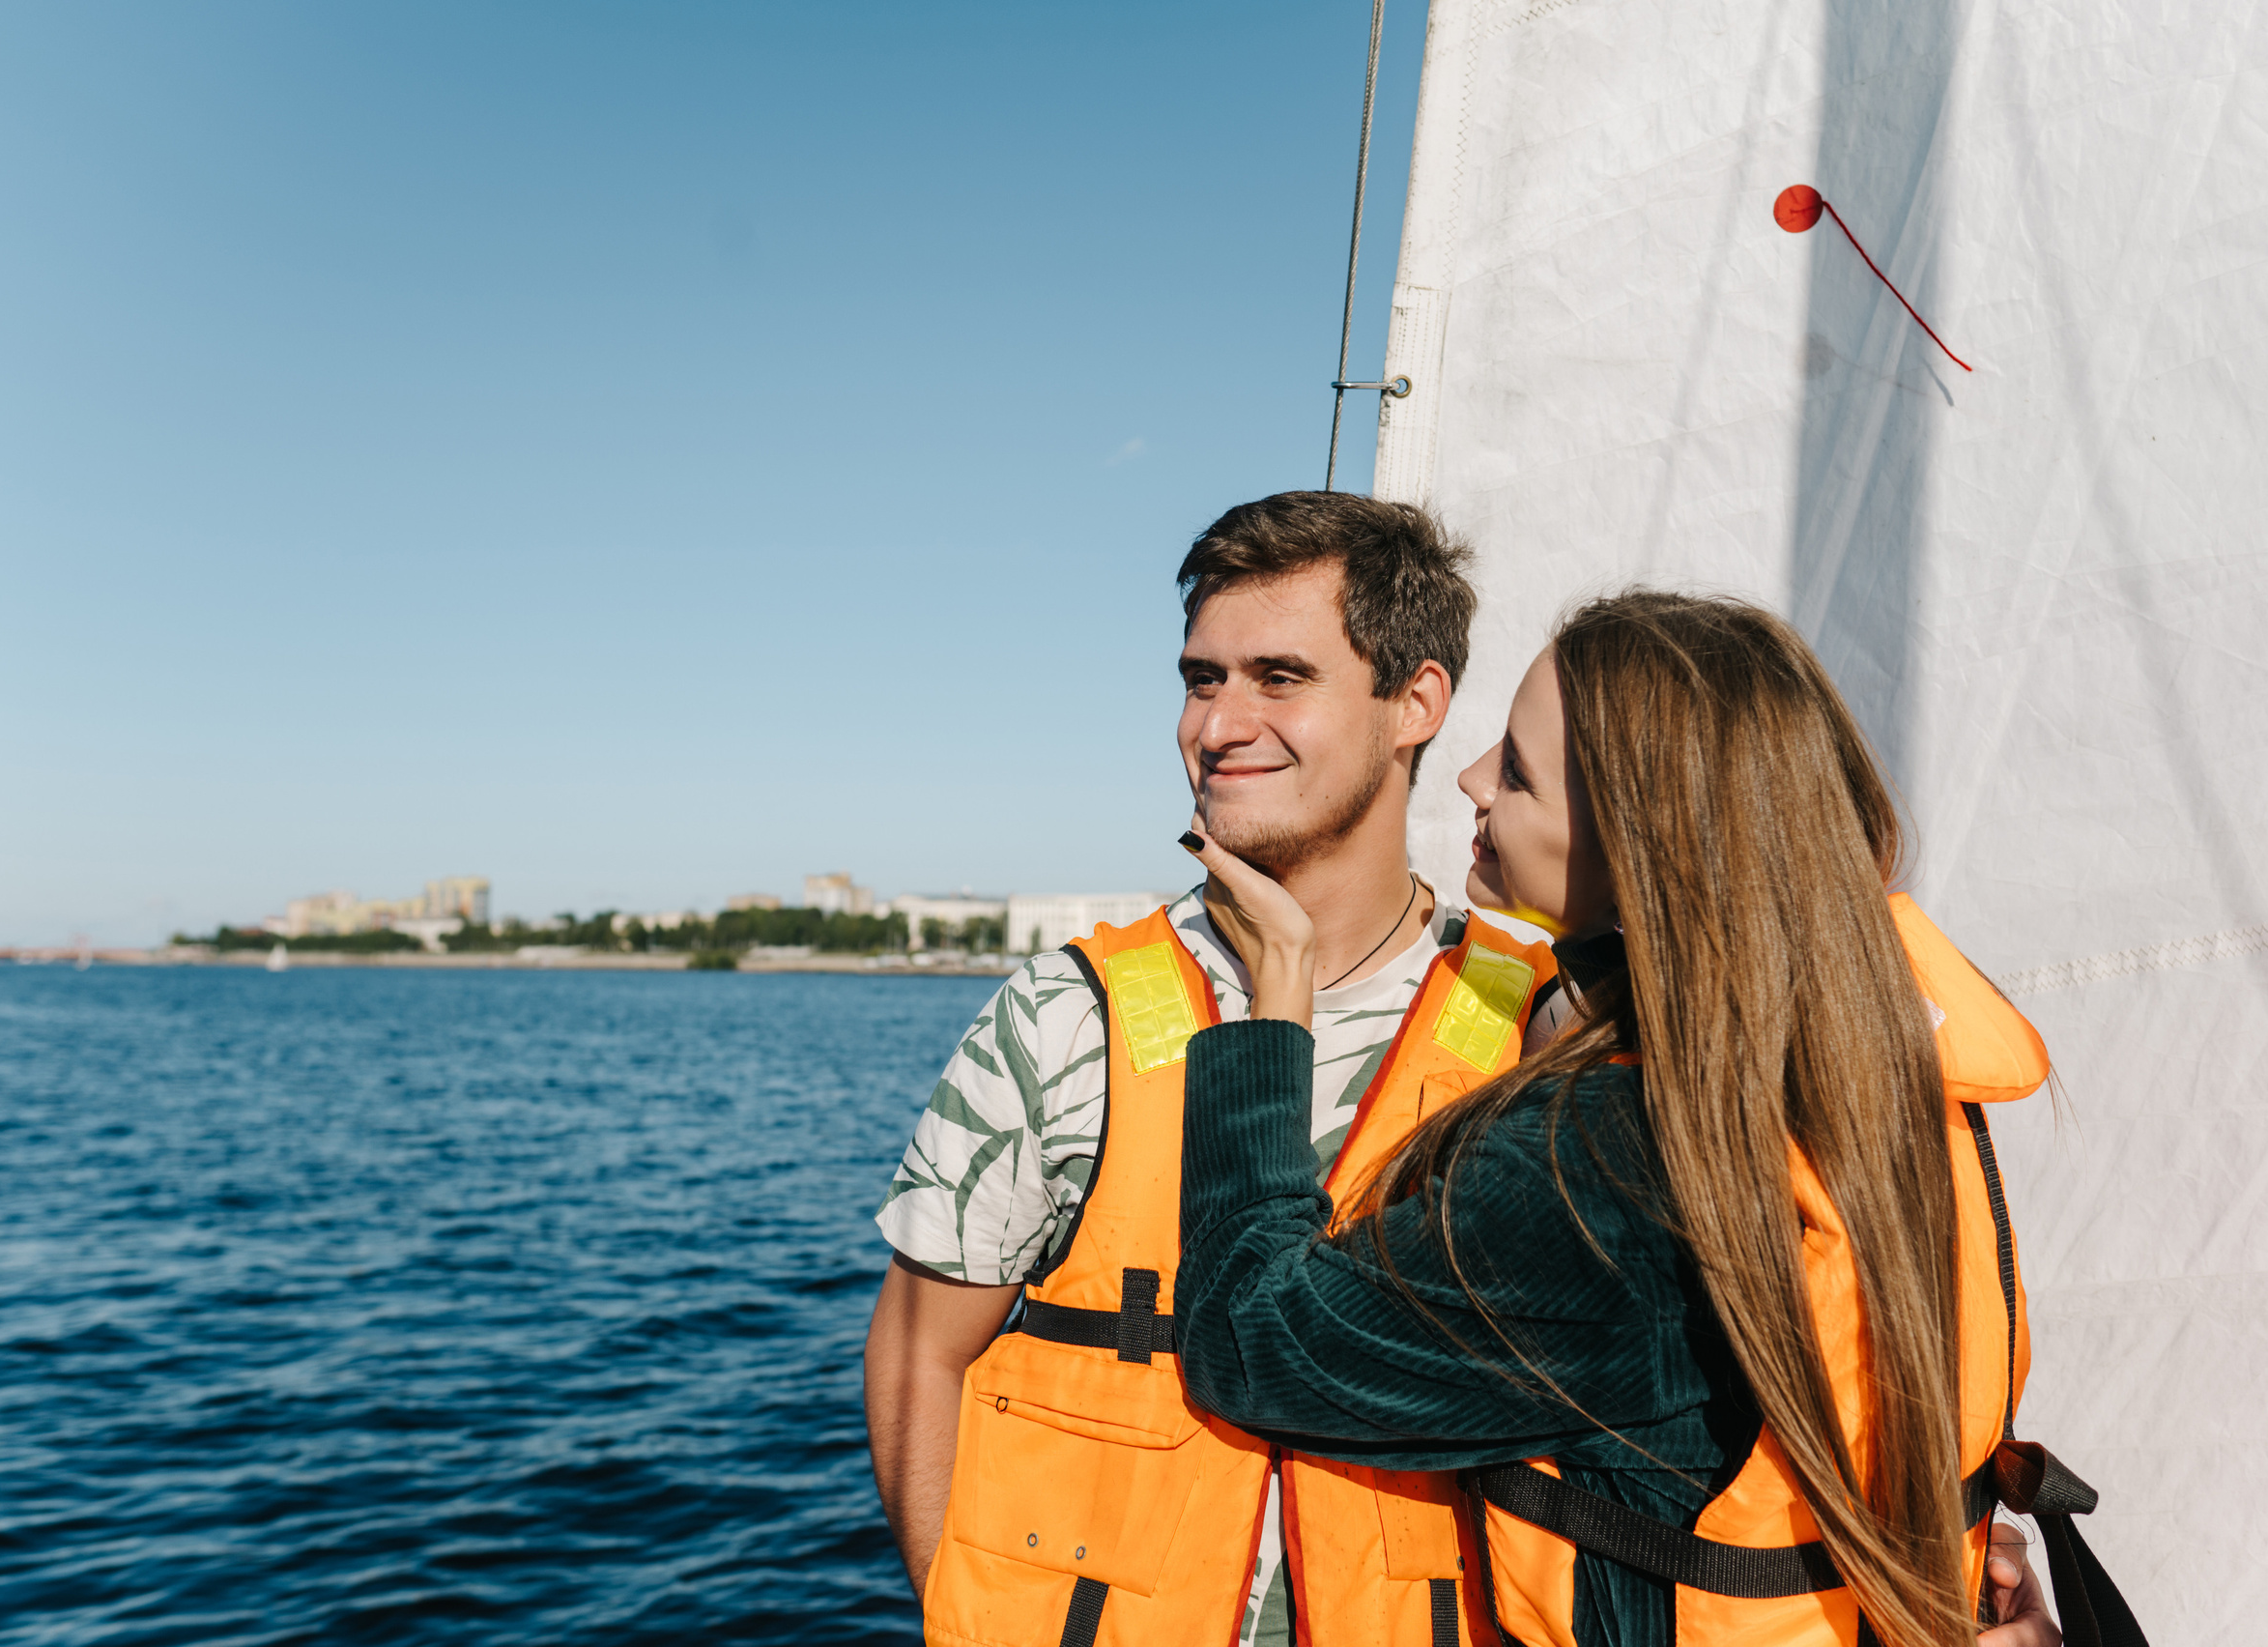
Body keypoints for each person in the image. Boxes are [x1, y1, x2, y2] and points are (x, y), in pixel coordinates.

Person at [1172, 590, 2069, 1647]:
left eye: (1515, 770)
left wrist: (1273, 1009)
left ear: (1642, 843)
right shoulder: (1873, 1071)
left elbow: (1254, 1342)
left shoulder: (1601, 1164)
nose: (1466, 778)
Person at [863, 491, 1575, 1647]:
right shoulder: (1064, 1015)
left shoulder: (1544, 1020)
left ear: (1415, 702)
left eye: (1278, 677)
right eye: (1203, 679)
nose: (1219, 725)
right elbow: (914, 1354)